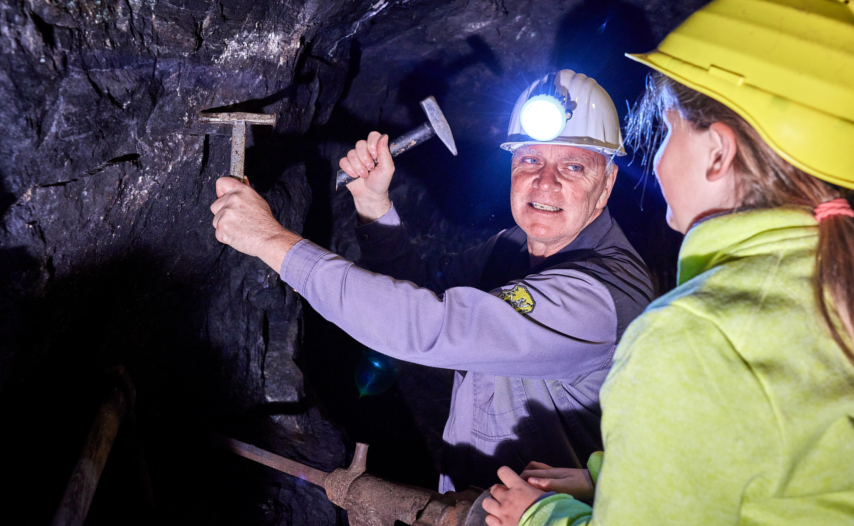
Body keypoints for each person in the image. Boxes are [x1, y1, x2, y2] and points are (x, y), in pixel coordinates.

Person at [481, 0, 854, 526]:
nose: (658, 159)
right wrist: (608, 473)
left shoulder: (693, 334)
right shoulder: (850, 287)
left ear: (717, 154)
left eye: (667, 132)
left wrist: (541, 514)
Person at [210, 70, 654, 493]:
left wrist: (270, 241)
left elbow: (429, 325)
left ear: (609, 180)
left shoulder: (604, 294)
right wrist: (374, 206)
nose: (545, 182)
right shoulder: (513, 247)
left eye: (574, 167)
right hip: (466, 496)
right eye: (530, 159)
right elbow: (420, 289)